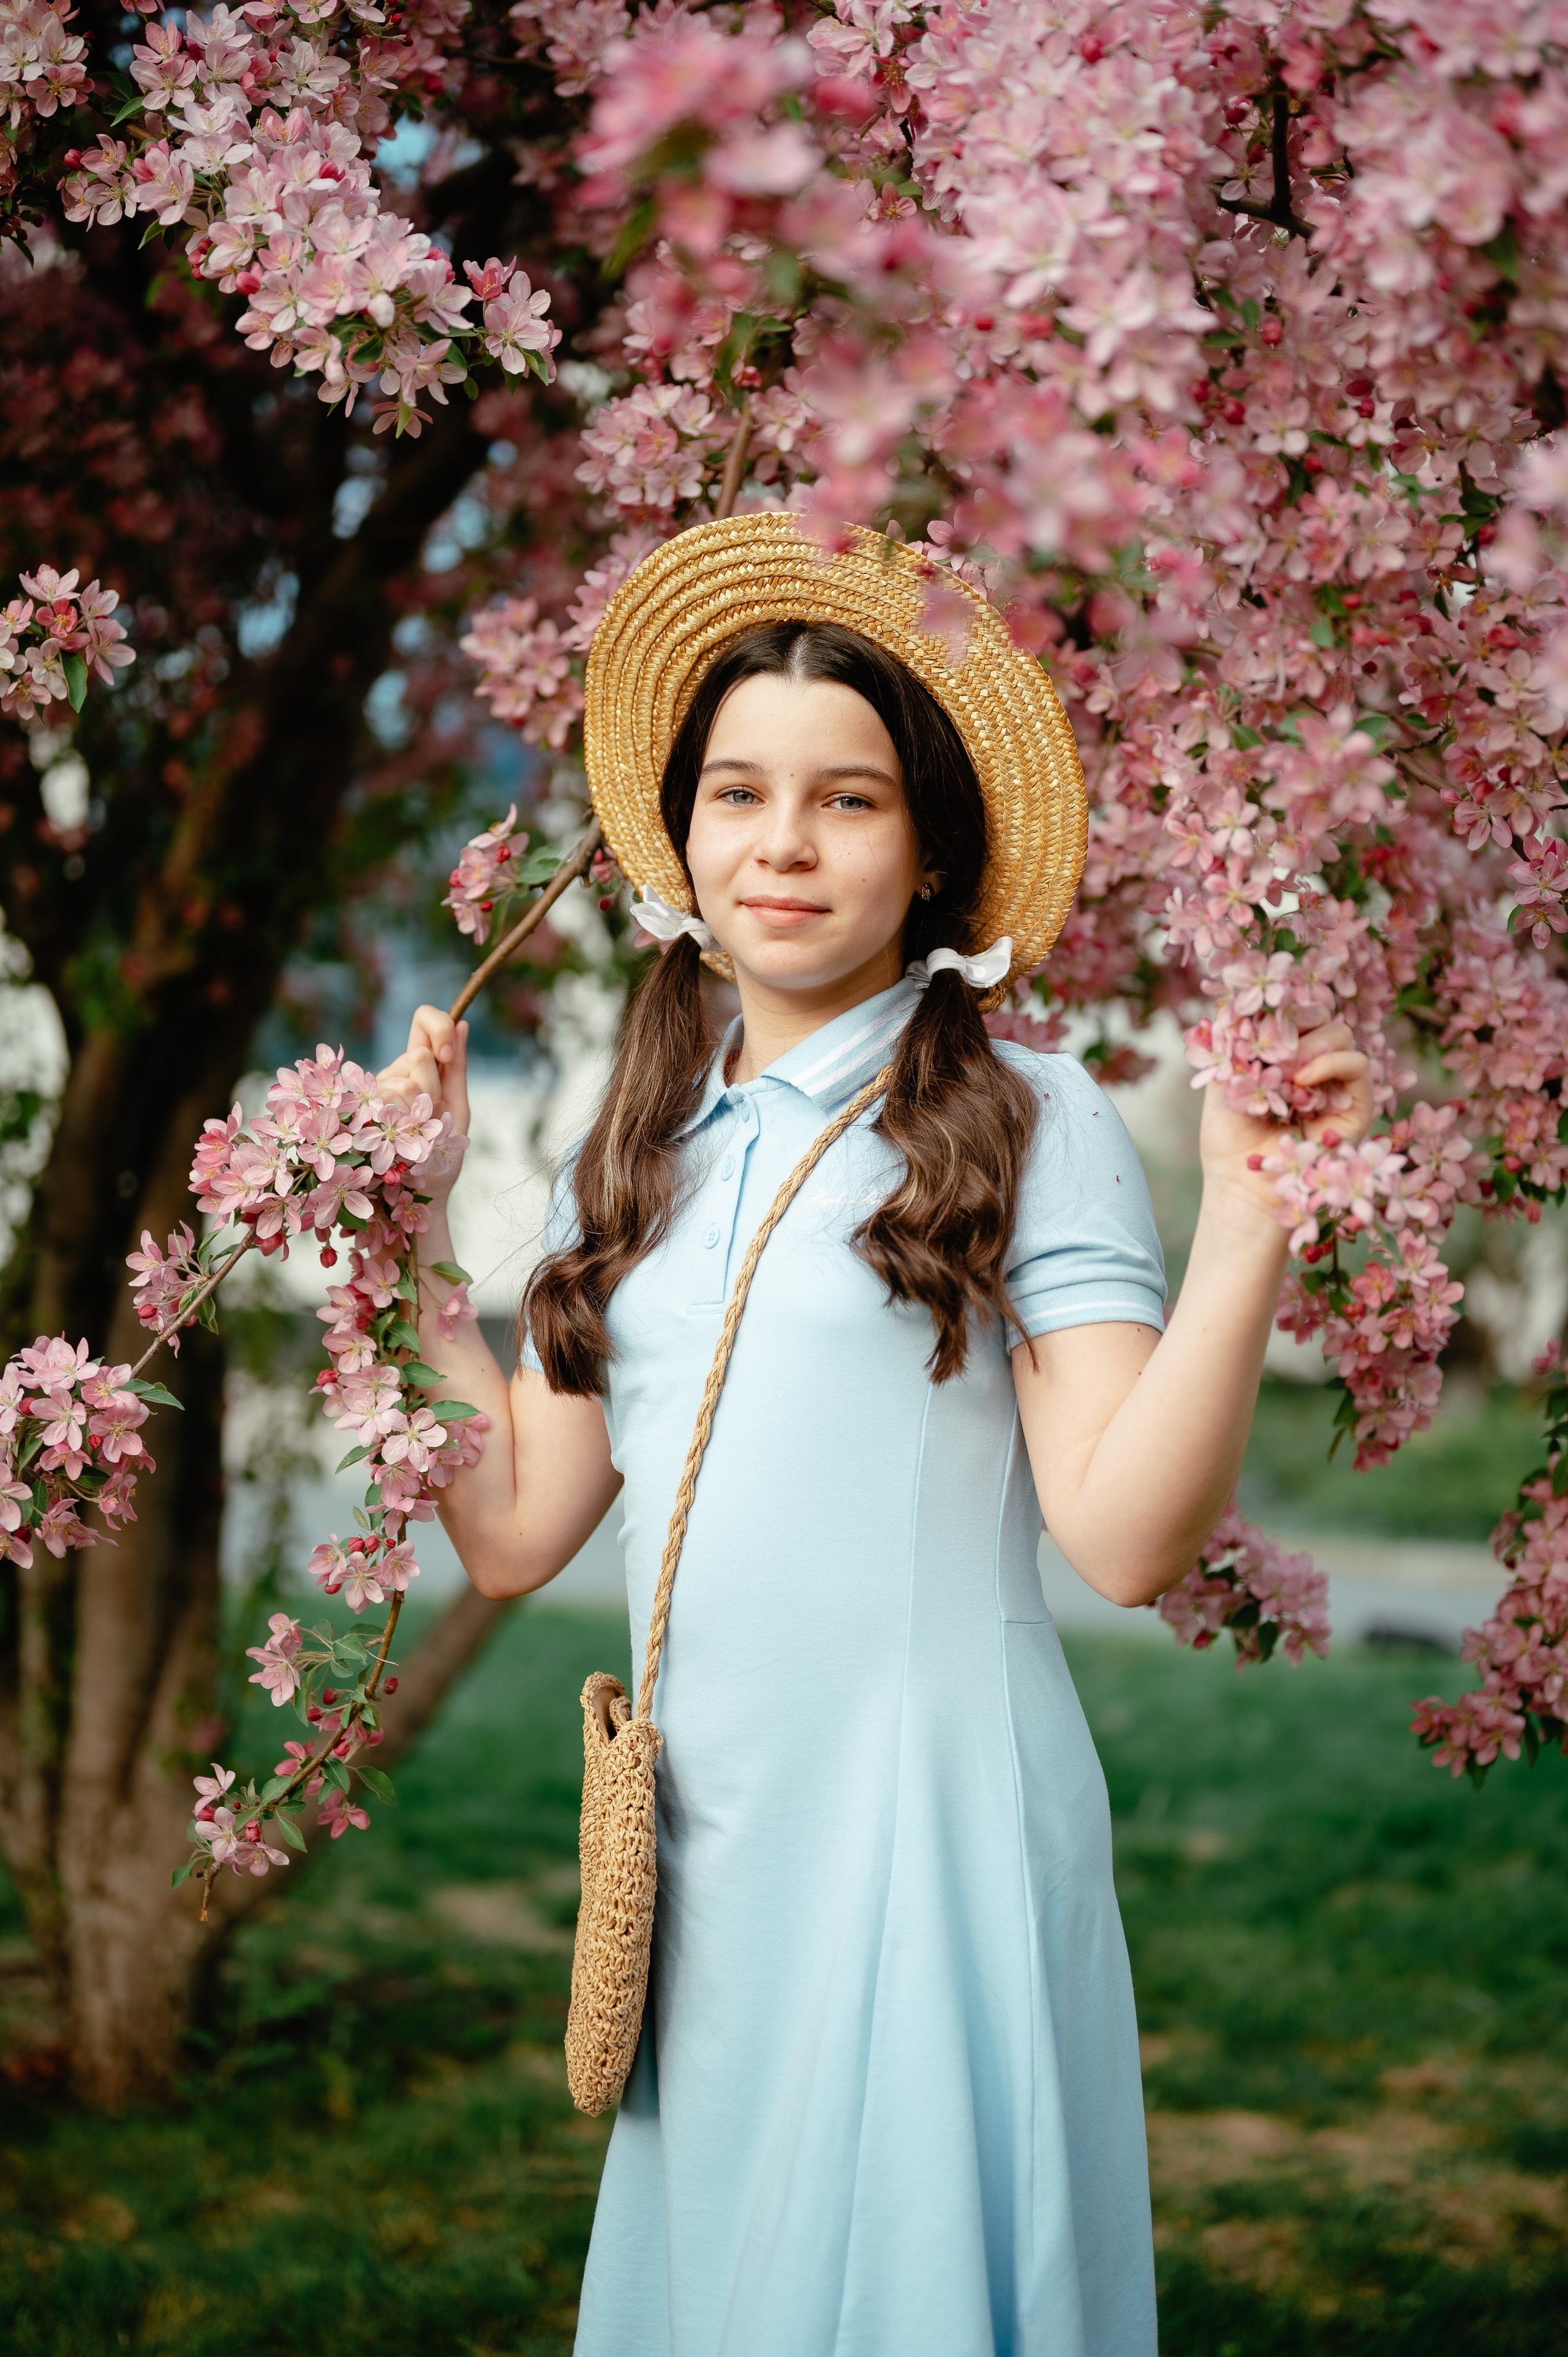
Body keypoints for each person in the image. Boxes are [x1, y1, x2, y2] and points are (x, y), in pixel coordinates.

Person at [377, 517, 1372, 2357]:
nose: (782, 843)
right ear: (679, 835)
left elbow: (1128, 1541)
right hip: (710, 1850)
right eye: (740, 792)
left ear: (926, 851)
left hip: (928, 1831)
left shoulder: (1023, 1115)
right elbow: (515, 1527)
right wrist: (415, 1235)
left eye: (847, 800)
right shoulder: (649, 1140)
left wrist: (1249, 1225)